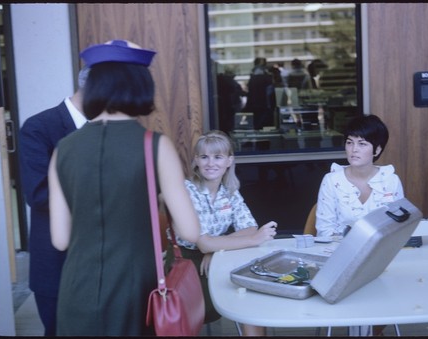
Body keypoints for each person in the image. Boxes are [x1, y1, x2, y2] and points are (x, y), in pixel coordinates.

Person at [48, 39, 200, 336]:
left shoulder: (63, 148)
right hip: (136, 292)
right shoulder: (155, 145)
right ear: (140, 86)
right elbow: (190, 232)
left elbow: (60, 240)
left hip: (76, 289)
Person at [165, 130, 277, 336]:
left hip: (220, 257)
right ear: (196, 160)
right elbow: (203, 243)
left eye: (218, 157)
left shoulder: (229, 190)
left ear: (229, 161)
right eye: (204, 157)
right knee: (206, 311)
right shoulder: (188, 190)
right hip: (186, 262)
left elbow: (249, 227)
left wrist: (216, 248)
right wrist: (250, 240)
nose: (211, 163)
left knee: (253, 296)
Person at [314, 114, 404, 336]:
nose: (353, 149)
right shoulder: (332, 180)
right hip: (341, 258)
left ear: (377, 149)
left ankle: (373, 328)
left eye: (362, 143)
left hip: (382, 260)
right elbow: (325, 231)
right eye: (349, 142)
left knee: (397, 289)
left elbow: (399, 227)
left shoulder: (390, 180)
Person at [18, 66, 89, 336]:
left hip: (104, 267)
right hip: (57, 265)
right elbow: (38, 194)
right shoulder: (39, 127)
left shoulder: (108, 129)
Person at [243, 57, 275, 129]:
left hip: (256, 105)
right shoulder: (264, 76)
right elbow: (269, 93)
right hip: (263, 105)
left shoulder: (253, 76)